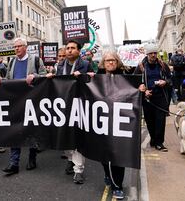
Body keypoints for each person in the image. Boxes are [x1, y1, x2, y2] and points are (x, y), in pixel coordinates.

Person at [0, 37, 47, 175]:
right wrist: (0, 79)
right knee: (14, 130)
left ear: (26, 46)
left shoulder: (35, 60)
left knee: (31, 129)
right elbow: (9, 79)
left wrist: (34, 76)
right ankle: (14, 163)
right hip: (15, 100)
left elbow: (44, 76)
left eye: (19, 46)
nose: (16, 49)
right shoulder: (11, 61)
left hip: (31, 100)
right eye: (15, 47)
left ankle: (32, 157)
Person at [47, 39, 94, 184]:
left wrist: (86, 76)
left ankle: (78, 170)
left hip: (80, 105)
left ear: (78, 51)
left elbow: (94, 81)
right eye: (67, 48)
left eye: (73, 48)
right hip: (64, 105)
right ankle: (70, 159)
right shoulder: (60, 66)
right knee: (66, 135)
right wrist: (52, 77)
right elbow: (59, 82)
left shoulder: (85, 64)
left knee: (78, 137)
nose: (69, 50)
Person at [96, 51, 128, 200]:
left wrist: (141, 90)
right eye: (108, 61)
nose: (110, 63)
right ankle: (108, 174)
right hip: (102, 122)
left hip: (121, 122)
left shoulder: (126, 76)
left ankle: (118, 186)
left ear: (117, 62)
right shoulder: (97, 77)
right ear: (103, 63)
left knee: (118, 155)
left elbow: (134, 92)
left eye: (113, 60)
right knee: (104, 155)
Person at [134, 44, 172, 152]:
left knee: (160, 120)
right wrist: (143, 89)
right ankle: (154, 139)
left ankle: (159, 143)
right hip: (147, 99)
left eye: (155, 53)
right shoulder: (141, 66)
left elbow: (170, 80)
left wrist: (165, 82)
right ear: (147, 54)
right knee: (149, 121)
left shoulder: (163, 65)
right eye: (151, 53)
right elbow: (135, 81)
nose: (153, 55)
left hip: (160, 97)